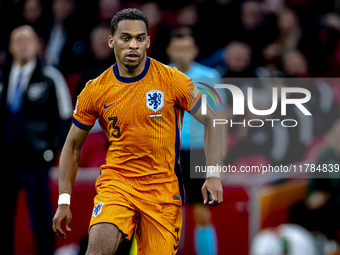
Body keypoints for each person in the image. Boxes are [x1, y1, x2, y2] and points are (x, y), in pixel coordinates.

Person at [52, 8, 224, 255]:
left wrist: (214, 174)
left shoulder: (172, 80)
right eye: (125, 38)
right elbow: (72, 146)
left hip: (162, 189)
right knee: (97, 248)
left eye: (139, 38)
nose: (133, 45)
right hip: (117, 185)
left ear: (148, 41)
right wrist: (64, 201)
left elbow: (212, 120)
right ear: (112, 41)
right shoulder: (95, 90)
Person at [0, 25, 73, 255]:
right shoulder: (2, 76)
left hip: (36, 159)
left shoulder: (51, 76)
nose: (23, 44)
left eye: (28, 40)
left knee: (41, 217)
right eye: (17, 40)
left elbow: (66, 118)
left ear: (37, 45)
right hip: (6, 160)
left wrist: (50, 150)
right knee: (3, 218)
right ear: (10, 47)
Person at [166, 27, 225, 255]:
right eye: (177, 48)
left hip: (200, 151)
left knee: (202, 212)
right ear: (169, 50)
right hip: (170, 153)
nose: (182, 53)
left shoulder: (210, 77)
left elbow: (220, 119)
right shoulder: (160, 76)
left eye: (186, 48)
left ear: (195, 50)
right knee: (171, 214)